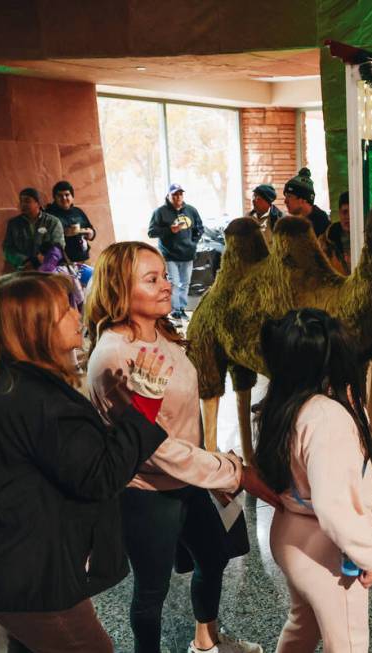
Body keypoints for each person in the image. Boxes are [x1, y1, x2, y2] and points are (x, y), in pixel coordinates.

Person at [0, 271, 170, 653]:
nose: (77, 316)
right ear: (35, 327)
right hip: (28, 582)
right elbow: (101, 476)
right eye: (65, 310)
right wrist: (143, 409)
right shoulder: (38, 401)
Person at [85, 241, 262, 653]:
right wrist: (227, 470)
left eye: (165, 275)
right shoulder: (113, 357)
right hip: (147, 493)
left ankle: (206, 642)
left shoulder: (162, 333)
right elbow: (153, 448)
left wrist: (208, 471)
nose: (167, 285)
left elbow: (183, 420)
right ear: (118, 289)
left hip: (189, 480)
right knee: (152, 591)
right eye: (152, 280)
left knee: (213, 558)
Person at [254, 308, 372, 653]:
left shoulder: (282, 399)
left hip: (289, 531)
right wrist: (370, 553)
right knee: (348, 641)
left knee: (303, 622)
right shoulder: (328, 416)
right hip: (324, 544)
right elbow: (335, 506)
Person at [148, 183, 203, 321]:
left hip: (187, 254)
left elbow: (200, 228)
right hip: (169, 255)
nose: (178, 197)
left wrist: (193, 242)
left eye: (180, 194)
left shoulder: (191, 210)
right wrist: (169, 231)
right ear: (168, 196)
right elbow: (151, 232)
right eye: (174, 194)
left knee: (185, 283)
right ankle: (175, 311)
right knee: (174, 282)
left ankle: (181, 308)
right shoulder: (160, 212)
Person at [45, 180, 96, 287]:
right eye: (60, 196)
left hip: (83, 261)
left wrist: (90, 233)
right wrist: (63, 234)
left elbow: (91, 230)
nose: (64, 198)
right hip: (62, 265)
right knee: (71, 295)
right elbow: (44, 239)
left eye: (67, 195)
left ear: (72, 197)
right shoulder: (49, 215)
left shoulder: (78, 212)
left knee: (89, 291)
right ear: (54, 198)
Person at [3, 187, 65, 271]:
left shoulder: (52, 222)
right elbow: (8, 249)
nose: (23, 204)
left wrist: (46, 263)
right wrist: (26, 261)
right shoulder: (14, 224)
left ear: (38, 203)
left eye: (27, 201)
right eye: (21, 201)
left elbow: (58, 246)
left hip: (48, 270)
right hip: (24, 270)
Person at [283, 168, 329, 236]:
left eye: (289, 196)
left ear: (303, 200)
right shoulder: (293, 223)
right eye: (285, 196)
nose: (285, 201)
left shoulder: (322, 226)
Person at [319, 191, 351, 275]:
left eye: (352, 212)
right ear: (339, 213)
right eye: (345, 212)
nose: (348, 217)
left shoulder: (369, 239)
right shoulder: (326, 241)